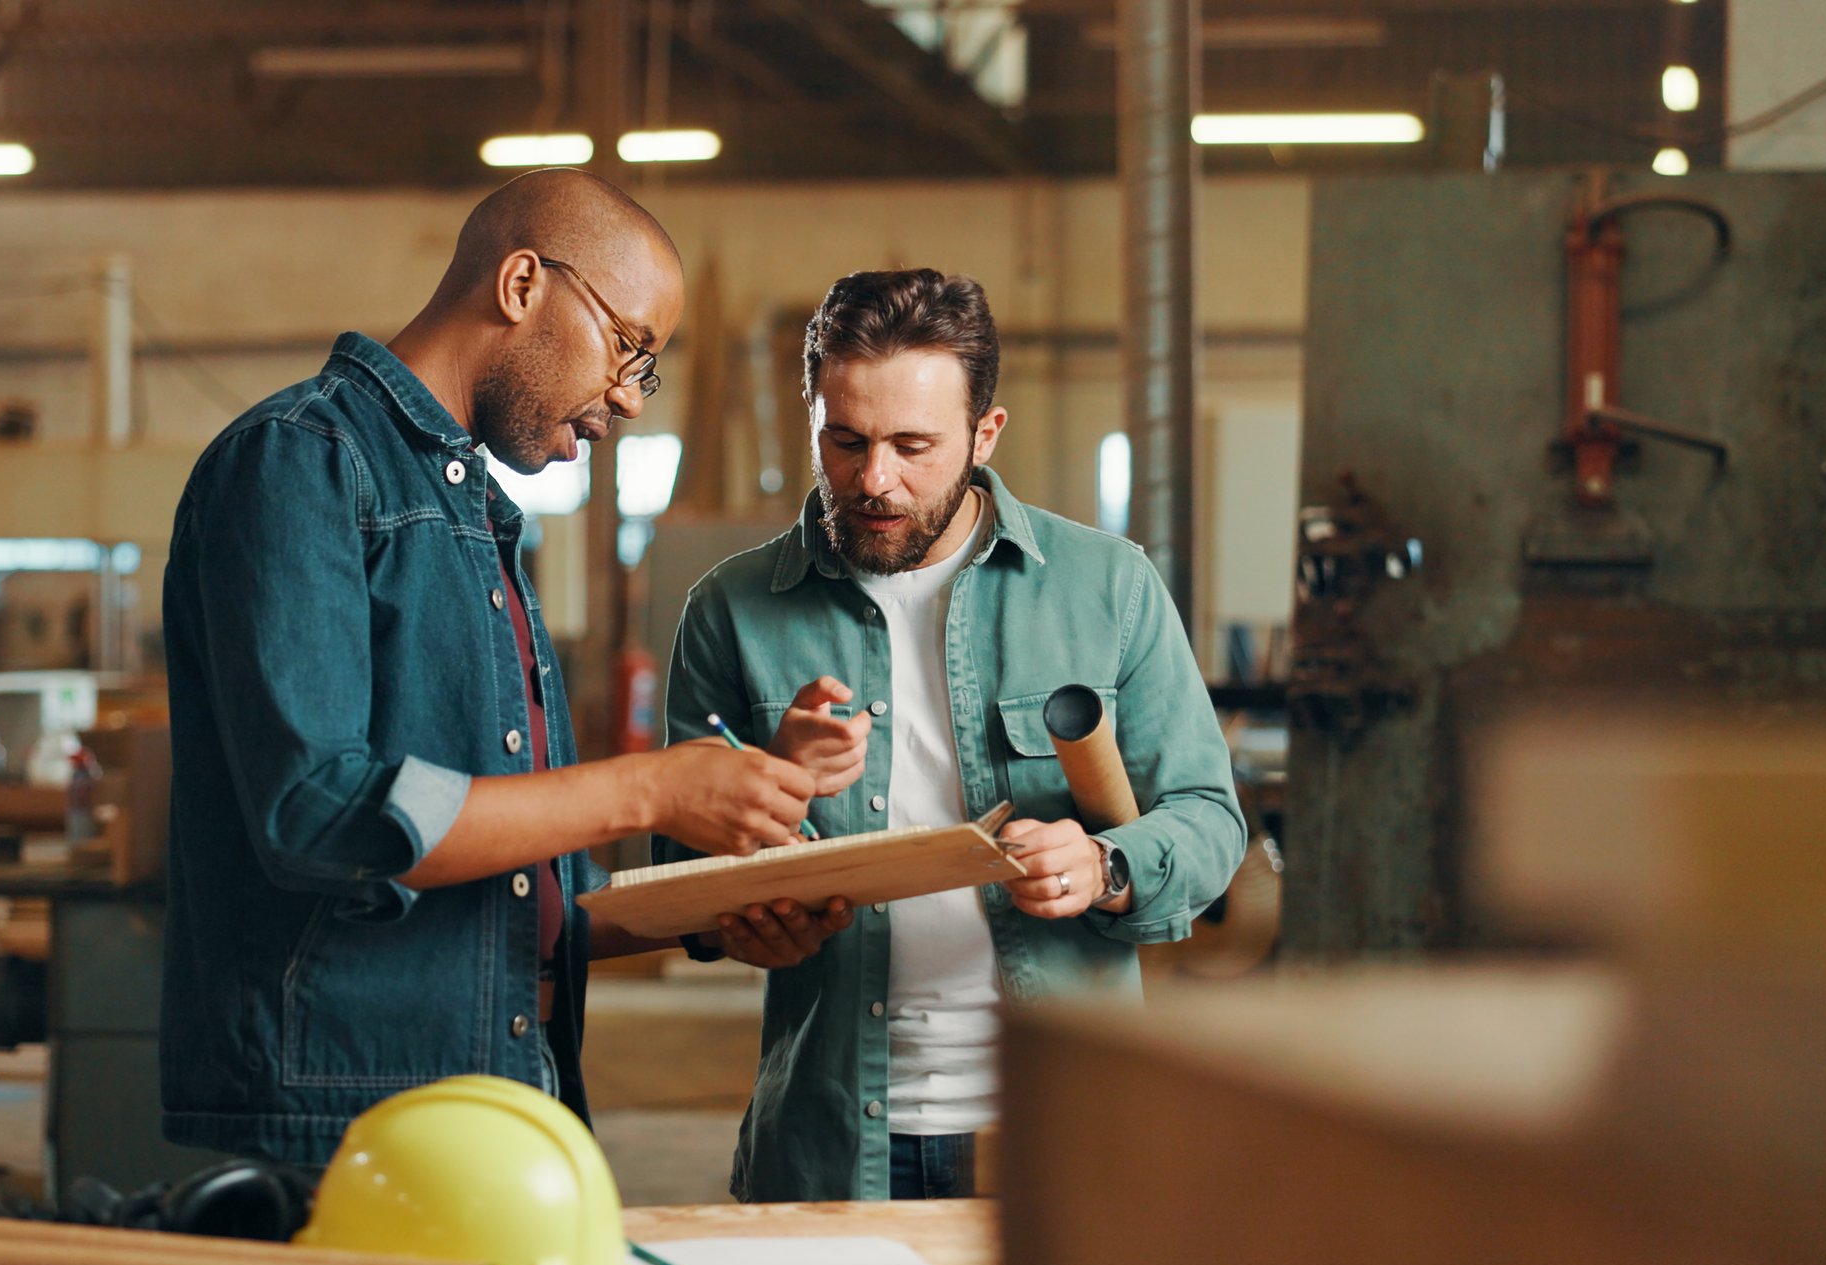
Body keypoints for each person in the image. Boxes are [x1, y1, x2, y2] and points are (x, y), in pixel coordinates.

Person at [158, 168, 819, 1174]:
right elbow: (320, 812)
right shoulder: (301, 463)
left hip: (499, 1102)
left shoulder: (478, 520)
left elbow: (515, 893)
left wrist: (717, 914)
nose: (628, 401)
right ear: (521, 286)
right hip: (349, 1125)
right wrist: (649, 785)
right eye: (629, 348)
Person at [658, 268, 1247, 1202]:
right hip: (828, 1139)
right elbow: (678, 870)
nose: (874, 479)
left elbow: (1211, 820)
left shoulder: (1109, 587)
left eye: (913, 445)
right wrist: (744, 915)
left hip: (1059, 1126)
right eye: (844, 441)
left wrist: (1106, 866)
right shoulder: (731, 610)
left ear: (986, 432)